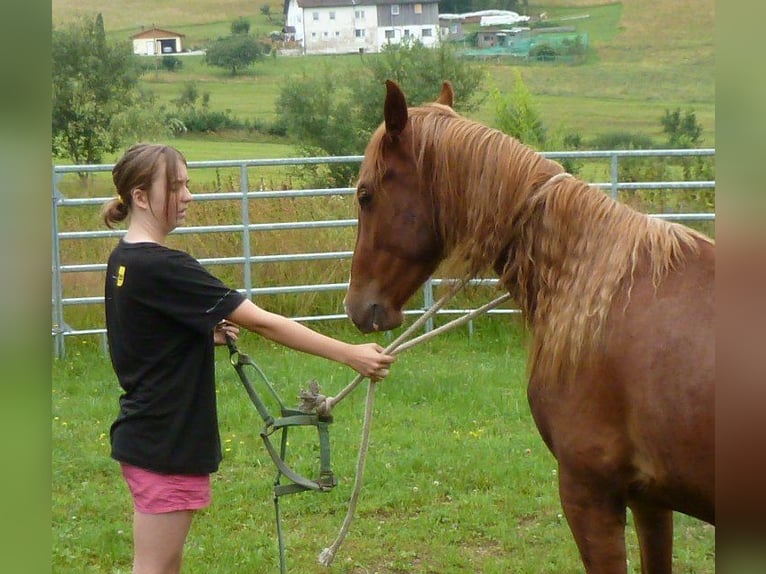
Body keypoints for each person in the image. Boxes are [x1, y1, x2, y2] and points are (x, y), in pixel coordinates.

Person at [101, 143, 396, 574]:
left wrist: (203, 333)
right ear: (141, 197)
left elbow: (142, 332)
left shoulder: (124, 258)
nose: (188, 196)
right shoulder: (165, 266)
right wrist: (349, 353)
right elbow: (265, 323)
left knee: (163, 567)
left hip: (151, 435)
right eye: (177, 186)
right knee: (153, 567)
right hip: (165, 442)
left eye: (187, 184)